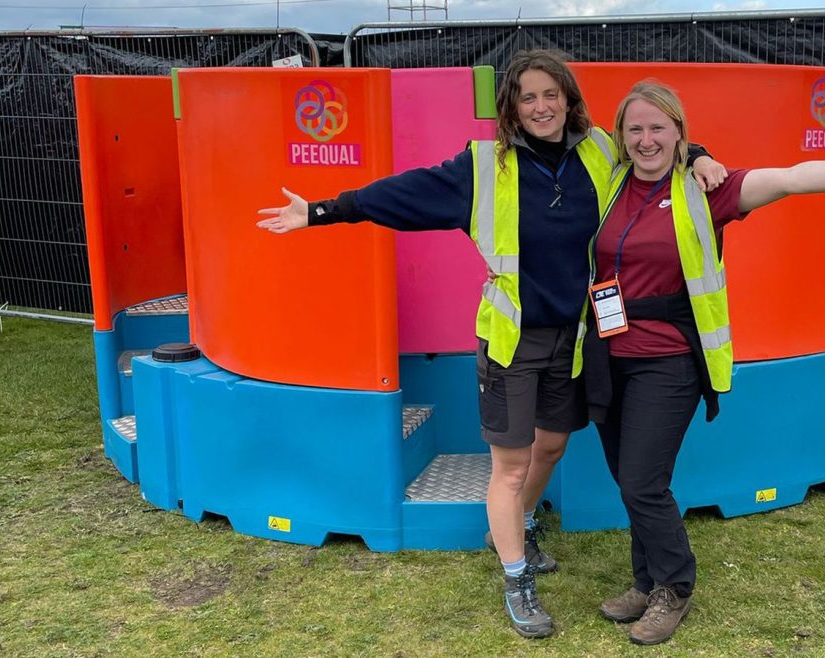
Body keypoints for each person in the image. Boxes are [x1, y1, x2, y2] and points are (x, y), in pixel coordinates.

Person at [256, 51, 726, 639]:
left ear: (569, 99)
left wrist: (700, 155)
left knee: (552, 445)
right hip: (512, 339)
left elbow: (653, 146)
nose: (541, 107)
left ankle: (516, 526)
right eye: (528, 97)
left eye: (550, 94)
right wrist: (324, 210)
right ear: (511, 107)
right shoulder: (483, 165)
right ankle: (517, 578)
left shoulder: (600, 150)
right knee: (511, 465)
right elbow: (406, 193)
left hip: (576, 339)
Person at [585, 81, 825, 646]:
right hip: (609, 356)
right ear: (620, 135)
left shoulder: (706, 189)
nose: (646, 139)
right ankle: (645, 579)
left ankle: (674, 586)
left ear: (679, 132)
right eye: (635, 129)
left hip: (670, 360)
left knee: (641, 480)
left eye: (658, 127)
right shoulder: (608, 179)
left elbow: (792, 178)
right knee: (630, 479)